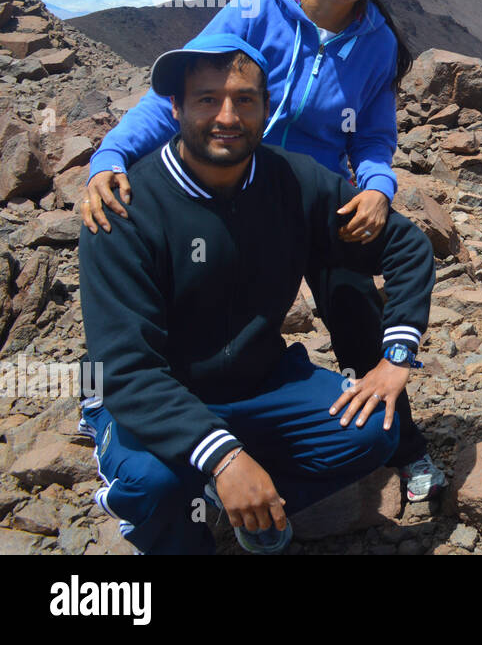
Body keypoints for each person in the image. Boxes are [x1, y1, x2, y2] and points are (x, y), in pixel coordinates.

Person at [79, 0, 443, 502]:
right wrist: (111, 156)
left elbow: (375, 135)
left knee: (356, 315)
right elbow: (183, 88)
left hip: (309, 196)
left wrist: (377, 189)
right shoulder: (255, 9)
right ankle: (150, 421)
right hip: (224, 180)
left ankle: (399, 443)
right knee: (198, 307)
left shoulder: (377, 44)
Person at [78, 35, 437, 554]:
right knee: (154, 485)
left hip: (258, 380)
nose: (227, 116)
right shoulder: (125, 208)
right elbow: (128, 367)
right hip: (156, 393)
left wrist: (396, 357)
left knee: (371, 433)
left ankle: (240, 500)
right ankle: (169, 503)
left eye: (245, 100)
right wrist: (225, 457)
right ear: (175, 108)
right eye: (207, 99)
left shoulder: (292, 180)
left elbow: (403, 245)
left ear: (266, 110)